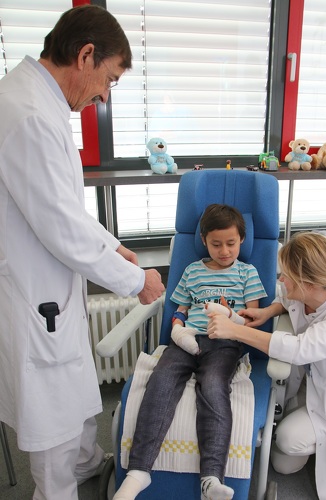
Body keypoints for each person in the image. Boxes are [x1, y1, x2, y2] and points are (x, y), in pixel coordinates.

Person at [0, 5, 164, 500]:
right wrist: (138, 282)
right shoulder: (29, 115)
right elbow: (61, 228)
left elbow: (60, 206)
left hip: (50, 285)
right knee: (51, 418)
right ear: (85, 54)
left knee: (73, 389)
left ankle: (90, 461)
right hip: (36, 294)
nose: (103, 95)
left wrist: (113, 245)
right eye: (109, 79)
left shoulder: (35, 99)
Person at [207, 231, 326, 500]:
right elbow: (287, 300)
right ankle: (312, 442)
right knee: (283, 465)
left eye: (286, 275)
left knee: (288, 440)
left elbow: (302, 348)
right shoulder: (305, 291)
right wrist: (268, 311)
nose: (281, 279)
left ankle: (325, 446)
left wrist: (235, 331)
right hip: (312, 382)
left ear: (310, 283)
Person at [114, 203, 267, 500]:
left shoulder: (247, 273)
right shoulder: (193, 271)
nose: (224, 251)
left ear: (242, 241)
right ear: (204, 240)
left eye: (231, 244)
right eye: (216, 244)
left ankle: (211, 478)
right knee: (161, 380)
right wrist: (177, 329)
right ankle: (139, 472)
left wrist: (230, 317)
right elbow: (180, 309)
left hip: (224, 342)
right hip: (186, 341)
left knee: (213, 386)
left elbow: (253, 318)